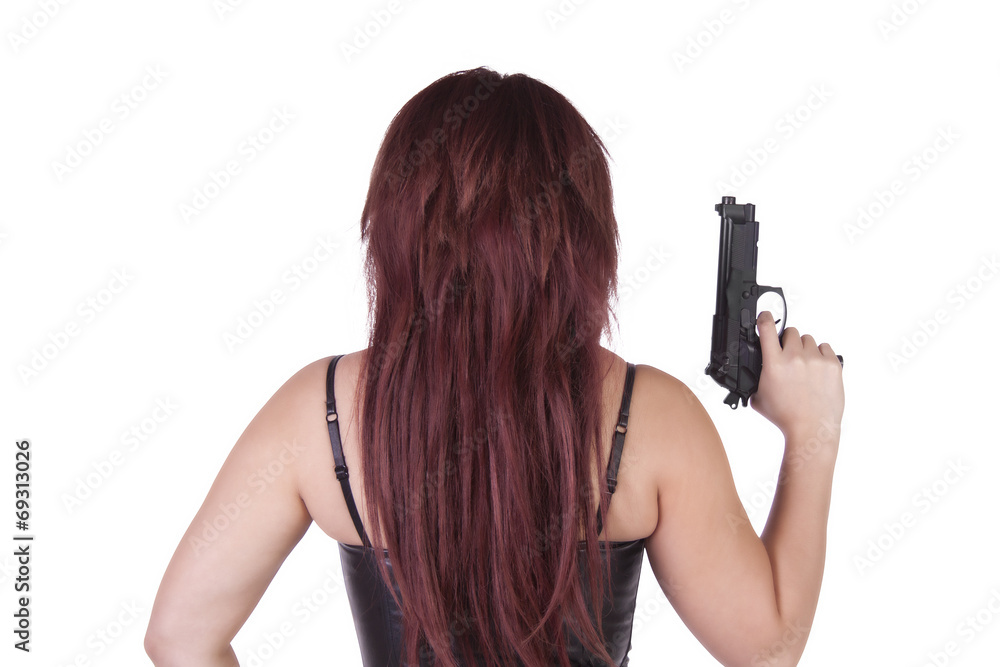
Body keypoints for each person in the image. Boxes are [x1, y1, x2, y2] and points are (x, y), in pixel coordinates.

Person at [144, 67, 845, 667]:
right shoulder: (651, 418)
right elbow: (768, 648)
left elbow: (179, 637)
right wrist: (812, 428)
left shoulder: (320, 412)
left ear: (397, 229)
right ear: (582, 238)